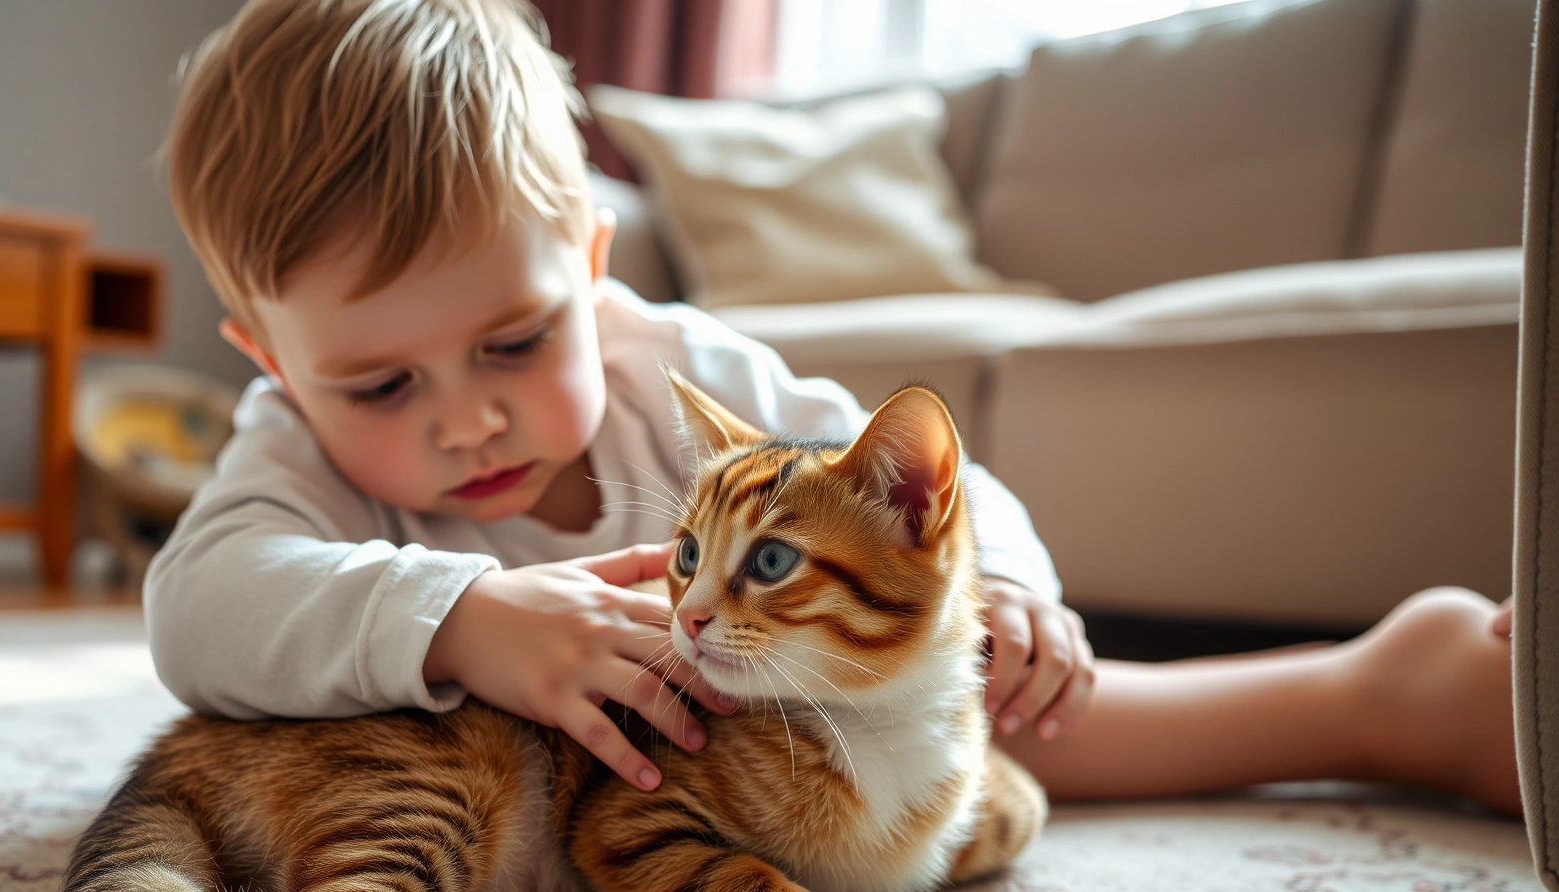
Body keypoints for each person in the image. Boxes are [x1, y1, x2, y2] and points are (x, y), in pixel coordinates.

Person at [144, 0, 1519, 817]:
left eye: (514, 341)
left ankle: (1376, 698)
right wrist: (463, 616)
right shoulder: (291, 454)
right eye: (380, 383)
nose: (464, 423)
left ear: (592, 266)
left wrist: (1014, 588)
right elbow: (196, 609)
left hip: (778, 734)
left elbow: (905, 488)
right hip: (569, 800)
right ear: (269, 358)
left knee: (1019, 718)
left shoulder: (671, 366)